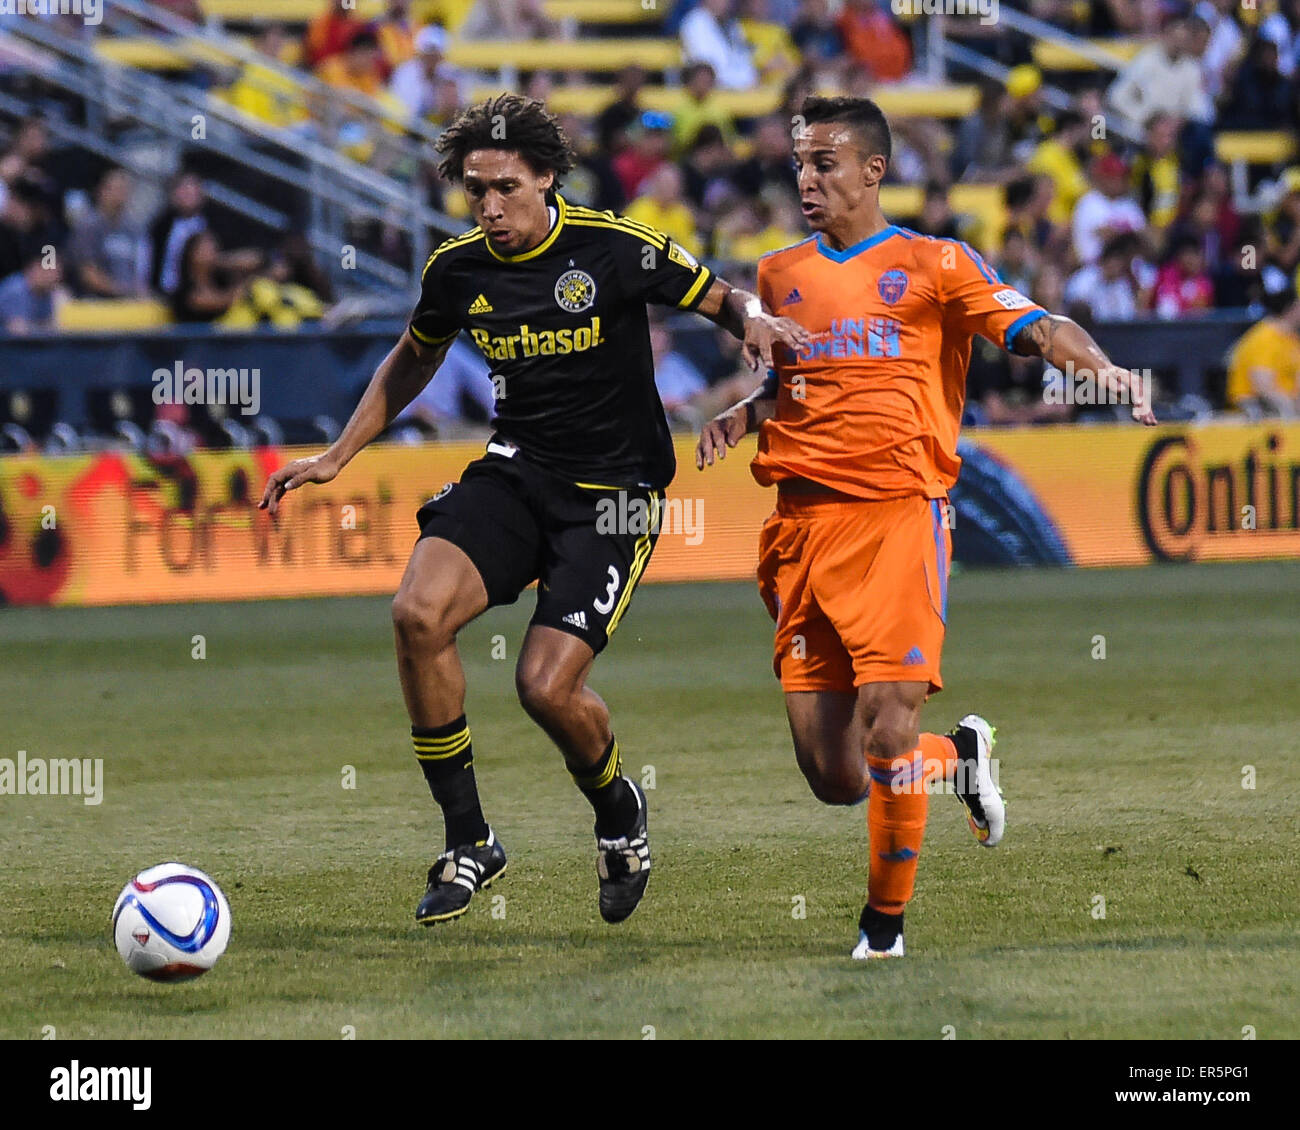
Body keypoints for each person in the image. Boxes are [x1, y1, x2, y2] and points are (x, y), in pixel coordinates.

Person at [259, 95, 806, 927]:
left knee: (544, 688)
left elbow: (720, 296)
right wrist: (338, 454)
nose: (489, 207)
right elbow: (414, 355)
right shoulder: (458, 269)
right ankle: (469, 840)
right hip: (517, 473)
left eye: (505, 187)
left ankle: (620, 812)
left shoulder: (611, 247)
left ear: (547, 176)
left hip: (613, 498)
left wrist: (757, 324)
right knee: (416, 614)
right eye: (475, 190)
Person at [695, 96, 1155, 959]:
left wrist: (1106, 371)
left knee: (887, 727)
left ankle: (883, 931)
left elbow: (1041, 327)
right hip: (801, 529)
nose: (806, 177)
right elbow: (804, 382)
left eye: (825, 161)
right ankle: (961, 760)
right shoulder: (777, 274)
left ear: (874, 171)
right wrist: (748, 413)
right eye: (800, 161)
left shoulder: (936, 264)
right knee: (834, 775)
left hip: (901, 518)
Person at [67, 165, 148, 298]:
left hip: (128, 302)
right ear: (101, 190)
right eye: (116, 189)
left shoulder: (133, 228)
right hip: (94, 302)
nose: (120, 195)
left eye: (124, 190)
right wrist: (124, 291)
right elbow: (87, 273)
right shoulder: (88, 226)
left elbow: (140, 268)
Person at [1225, 282, 1300, 416]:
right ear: (1291, 309)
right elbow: (1262, 386)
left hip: (1287, 406)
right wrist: (1292, 411)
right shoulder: (1264, 337)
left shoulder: (1292, 339)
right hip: (1255, 409)